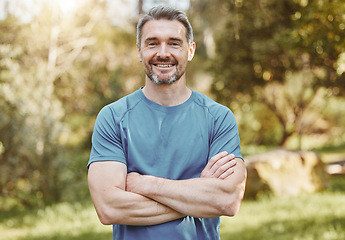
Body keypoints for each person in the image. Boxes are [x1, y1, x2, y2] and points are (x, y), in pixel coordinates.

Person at [87, 5, 247, 240]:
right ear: (139, 51)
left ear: (190, 50)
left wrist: (144, 185)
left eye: (174, 43)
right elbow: (109, 208)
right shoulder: (113, 117)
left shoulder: (219, 118)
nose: (163, 53)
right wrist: (198, 193)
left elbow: (228, 200)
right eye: (152, 43)